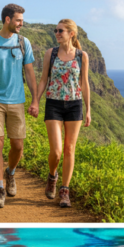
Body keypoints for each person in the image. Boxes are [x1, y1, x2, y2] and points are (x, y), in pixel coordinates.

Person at [0, 3, 40, 209]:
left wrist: (35, 99)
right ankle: (0, 188)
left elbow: (29, 72)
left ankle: (10, 172)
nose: (22, 23)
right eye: (19, 20)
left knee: (18, 146)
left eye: (22, 20)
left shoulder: (23, 42)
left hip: (17, 101)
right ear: (7, 20)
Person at [37, 19, 91, 208]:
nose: (57, 33)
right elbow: (43, 79)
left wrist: (89, 109)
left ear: (71, 33)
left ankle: (64, 191)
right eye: (56, 30)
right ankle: (52, 175)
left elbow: (84, 83)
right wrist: (36, 100)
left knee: (69, 149)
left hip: (74, 105)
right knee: (57, 151)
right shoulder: (50, 54)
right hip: (53, 103)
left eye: (61, 31)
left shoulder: (81, 56)